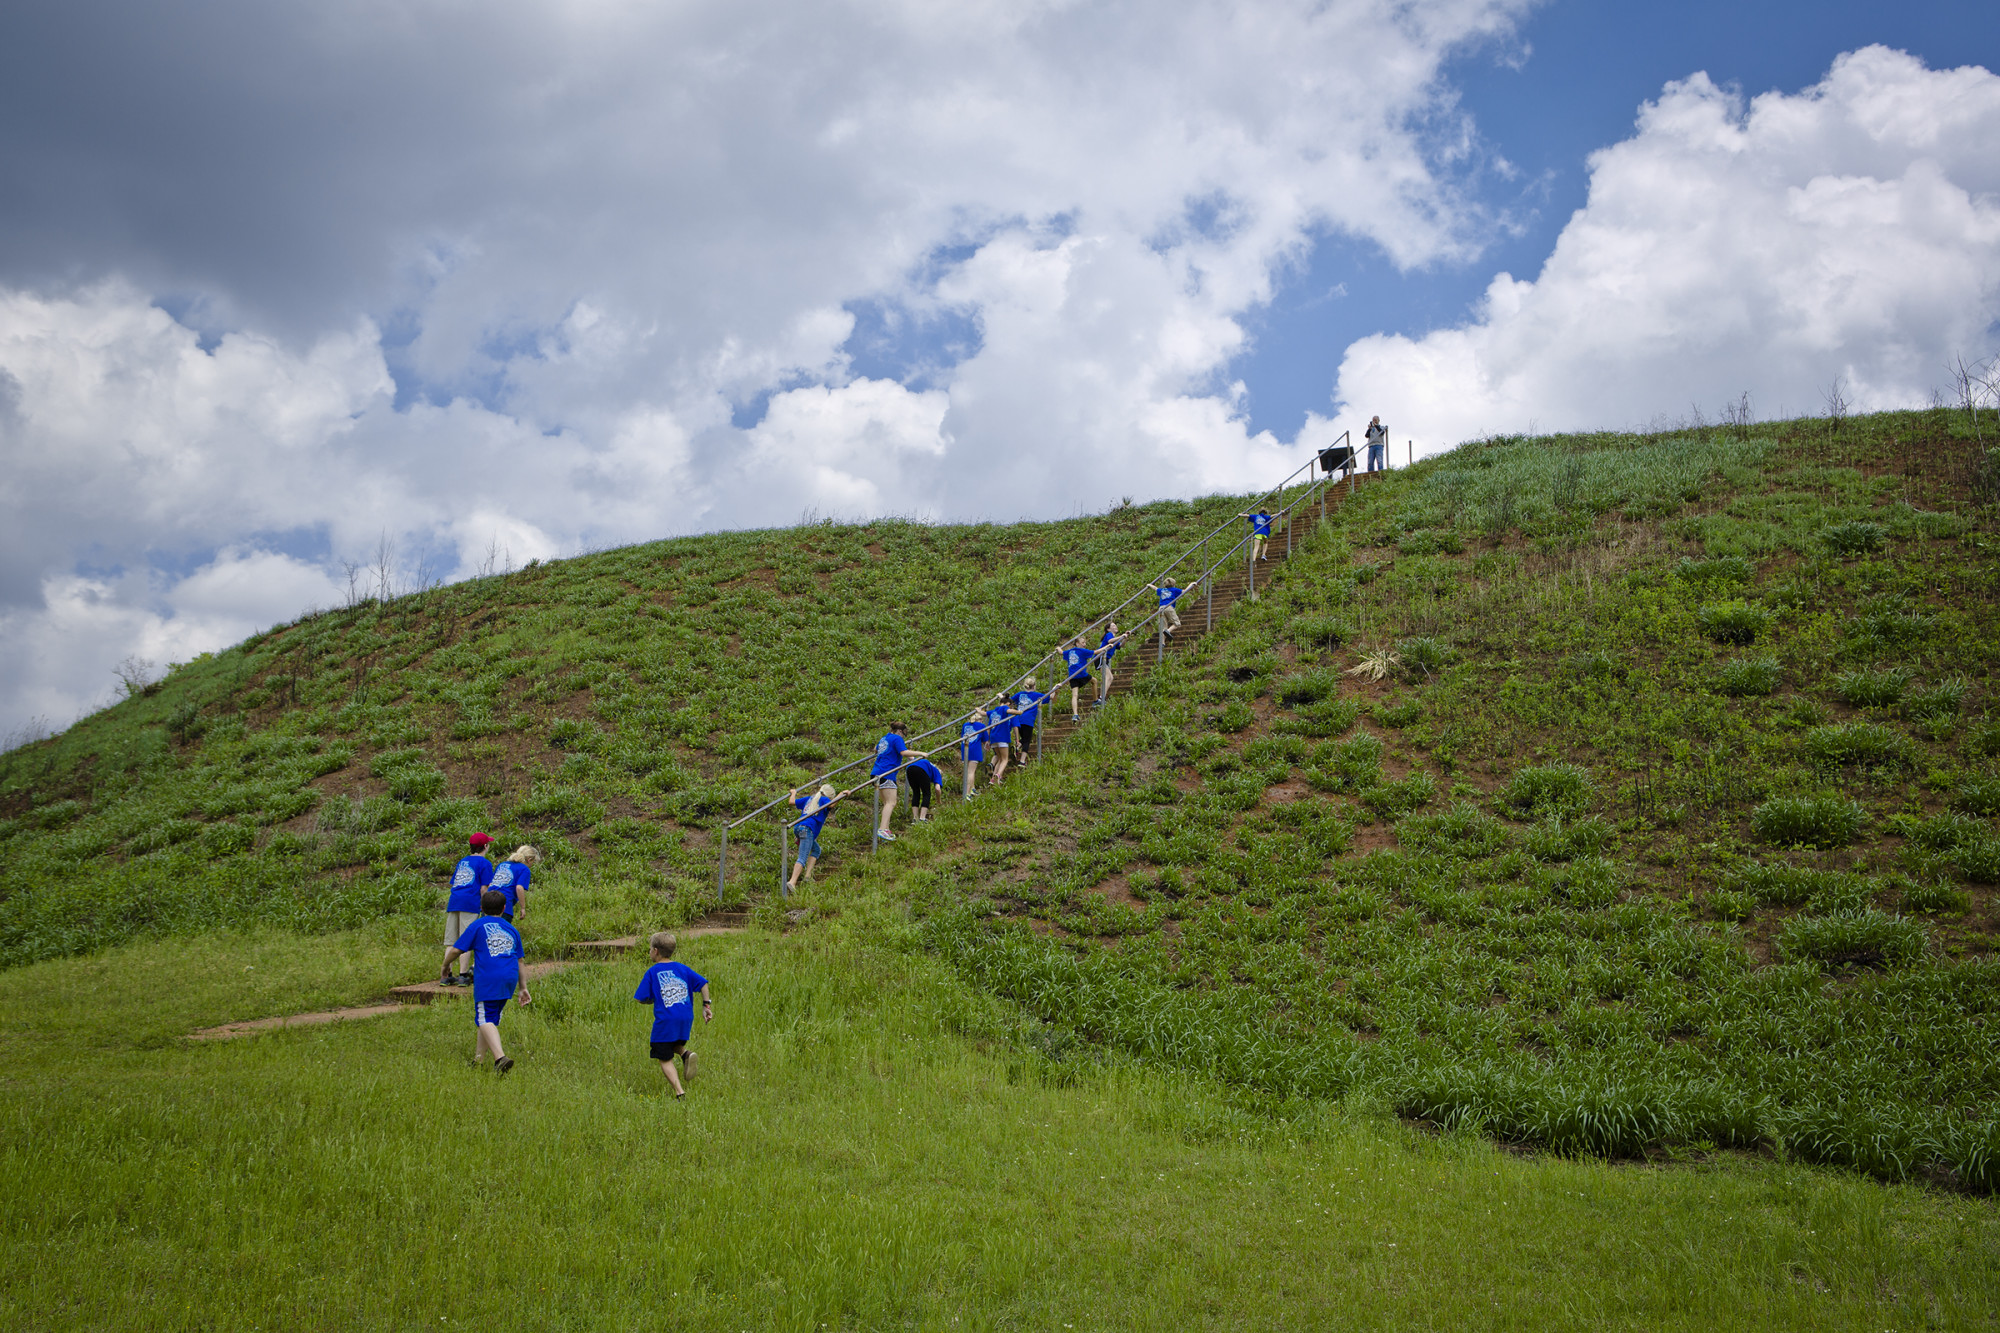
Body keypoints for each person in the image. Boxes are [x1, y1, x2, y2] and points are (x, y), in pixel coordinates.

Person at [440, 888, 532, 1074]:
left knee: (483, 1018)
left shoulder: (478, 925)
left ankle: (500, 1058)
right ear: (504, 908)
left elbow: (457, 950)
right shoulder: (511, 929)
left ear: (481, 907)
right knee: (488, 1019)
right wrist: (523, 988)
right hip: (509, 978)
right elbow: (520, 961)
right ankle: (478, 1060)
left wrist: (445, 966)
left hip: (489, 978)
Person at [633, 932, 711, 1099]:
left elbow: (640, 999)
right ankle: (685, 1054)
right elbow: (703, 982)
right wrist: (706, 1005)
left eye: (649, 949)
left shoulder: (652, 972)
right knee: (672, 1044)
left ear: (655, 951)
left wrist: (652, 1000)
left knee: (663, 1055)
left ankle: (679, 1092)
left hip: (666, 1020)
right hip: (685, 1019)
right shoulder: (682, 968)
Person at [442, 833, 497, 986]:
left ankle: (446, 976)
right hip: (470, 903)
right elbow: (483, 888)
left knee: (451, 941)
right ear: (485, 846)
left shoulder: (463, 861)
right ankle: (463, 975)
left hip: (454, 902)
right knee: (465, 940)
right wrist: (486, 907)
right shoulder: (484, 863)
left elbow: (455, 883)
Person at [869, 723, 924, 842]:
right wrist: (921, 753)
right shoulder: (897, 738)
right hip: (887, 773)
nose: (903, 737)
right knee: (891, 802)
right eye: (904, 735)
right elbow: (904, 752)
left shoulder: (885, 737)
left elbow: (875, 750)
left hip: (876, 773)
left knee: (886, 803)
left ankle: (886, 830)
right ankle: (883, 829)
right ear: (900, 731)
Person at [788, 784, 845, 888]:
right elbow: (831, 805)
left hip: (798, 827)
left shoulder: (810, 798)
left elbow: (791, 802)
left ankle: (807, 876)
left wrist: (793, 793)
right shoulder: (824, 799)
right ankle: (792, 882)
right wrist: (842, 794)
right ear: (830, 796)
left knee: (816, 850)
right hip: (807, 829)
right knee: (802, 857)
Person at [490, 845, 539, 921]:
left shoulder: (502, 865)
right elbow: (519, 888)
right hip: (504, 903)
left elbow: (491, 884)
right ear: (529, 860)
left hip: (489, 901)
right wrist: (523, 908)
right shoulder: (524, 869)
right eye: (533, 862)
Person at [1008, 677, 1048, 762]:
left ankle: (1017, 746)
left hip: (1018, 720)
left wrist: (1001, 696)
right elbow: (1050, 697)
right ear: (1034, 686)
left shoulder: (1020, 694)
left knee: (1024, 738)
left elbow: (1009, 701)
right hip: (1028, 720)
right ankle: (1022, 761)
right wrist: (1055, 688)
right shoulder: (1037, 695)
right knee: (1027, 740)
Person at [1095, 621, 1130, 706]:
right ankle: (1101, 697)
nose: (1115, 627)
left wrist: (1125, 638)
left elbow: (1121, 646)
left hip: (1105, 658)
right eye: (1113, 626)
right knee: (1109, 677)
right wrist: (1121, 636)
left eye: (1115, 625)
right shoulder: (1109, 635)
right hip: (1101, 657)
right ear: (1108, 629)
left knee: (1110, 677)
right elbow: (1110, 641)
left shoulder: (1115, 638)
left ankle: (1101, 697)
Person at [1061, 635, 1095, 722]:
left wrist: (1058, 649)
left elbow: (1062, 652)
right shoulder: (1082, 651)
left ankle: (1075, 714)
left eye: (1085, 642)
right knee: (1094, 681)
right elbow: (1096, 652)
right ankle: (1095, 700)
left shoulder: (1070, 651)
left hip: (1072, 676)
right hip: (1082, 674)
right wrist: (1108, 646)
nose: (1084, 644)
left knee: (1075, 695)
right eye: (1083, 642)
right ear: (1077, 643)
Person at [907, 754, 946, 823]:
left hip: (910, 769)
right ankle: (922, 818)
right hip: (922, 770)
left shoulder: (928, 764)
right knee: (926, 794)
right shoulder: (937, 773)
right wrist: (938, 801)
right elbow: (937, 789)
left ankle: (915, 818)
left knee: (916, 793)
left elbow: (911, 757)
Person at [985, 699, 1015, 784]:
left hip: (993, 738)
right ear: (1008, 704)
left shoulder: (994, 712)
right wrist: (1018, 711)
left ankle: (992, 780)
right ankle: (998, 775)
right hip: (1002, 737)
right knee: (1005, 759)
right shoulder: (1005, 708)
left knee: (1000, 758)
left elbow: (988, 726)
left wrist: (987, 740)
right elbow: (1008, 710)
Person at [959, 708, 987, 798]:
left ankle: (972, 788)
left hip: (965, 748)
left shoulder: (965, 725)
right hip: (975, 749)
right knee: (971, 772)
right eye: (982, 720)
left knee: (968, 771)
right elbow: (985, 739)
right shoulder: (981, 726)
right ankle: (967, 793)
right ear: (979, 719)